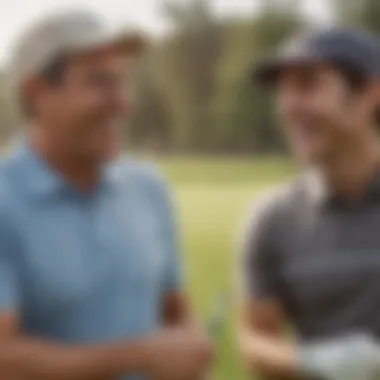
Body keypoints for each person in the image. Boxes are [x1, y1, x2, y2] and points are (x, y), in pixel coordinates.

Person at [0, 8, 213, 380]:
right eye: (99, 83)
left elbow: (176, 315)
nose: (122, 103)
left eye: (122, 82)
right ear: (37, 93)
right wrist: (138, 356)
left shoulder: (149, 189)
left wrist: (189, 349)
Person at [237, 28, 380, 380]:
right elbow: (255, 341)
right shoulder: (272, 219)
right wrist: (316, 362)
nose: (288, 107)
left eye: (307, 86)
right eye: (284, 91)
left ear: (369, 95)